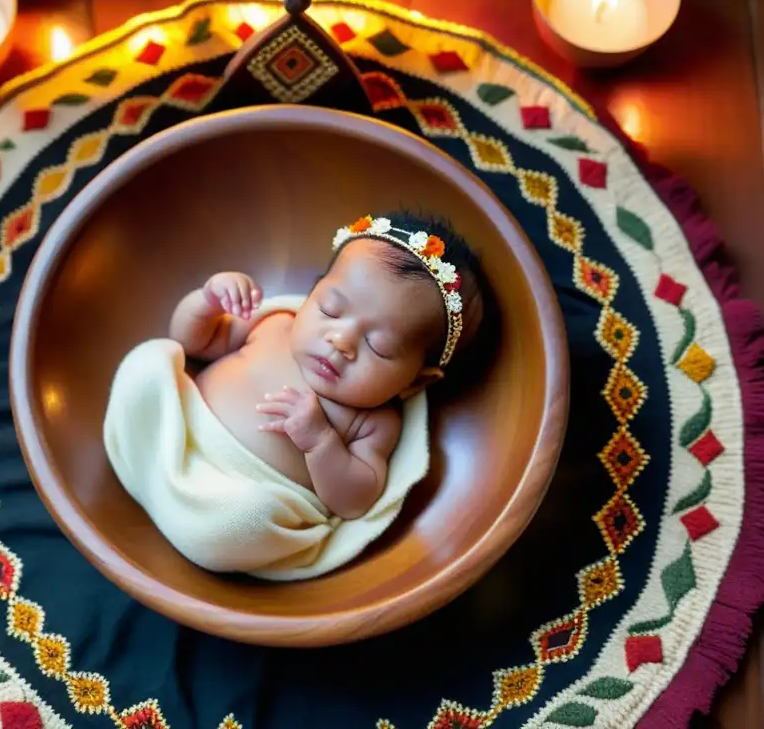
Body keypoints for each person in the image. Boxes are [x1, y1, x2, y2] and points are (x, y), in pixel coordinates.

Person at [103, 209, 489, 579]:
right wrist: (206, 302)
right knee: (148, 361)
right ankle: (143, 455)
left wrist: (320, 441)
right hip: (175, 430)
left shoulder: (371, 422)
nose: (340, 341)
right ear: (312, 293)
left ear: (415, 381)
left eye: (379, 346)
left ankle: (188, 520)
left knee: (243, 521)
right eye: (331, 310)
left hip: (230, 498)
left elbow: (355, 502)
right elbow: (192, 343)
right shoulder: (276, 326)